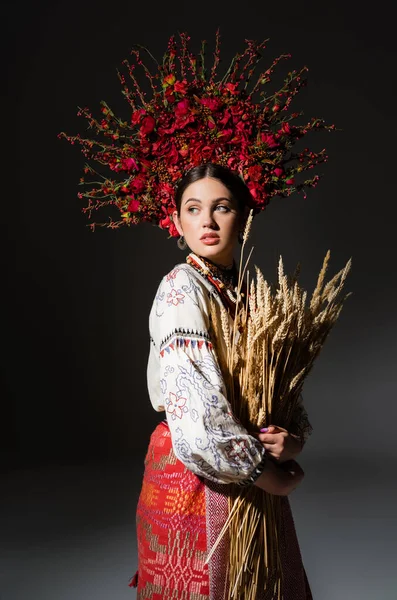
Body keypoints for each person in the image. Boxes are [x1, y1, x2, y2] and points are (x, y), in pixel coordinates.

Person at [131, 162, 313, 600]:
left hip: (251, 469)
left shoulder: (246, 291)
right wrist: (265, 473)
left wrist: (290, 439)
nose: (207, 221)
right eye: (193, 209)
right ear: (176, 221)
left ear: (244, 216)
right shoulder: (181, 288)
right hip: (199, 472)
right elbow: (197, 417)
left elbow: (277, 387)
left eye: (222, 207)